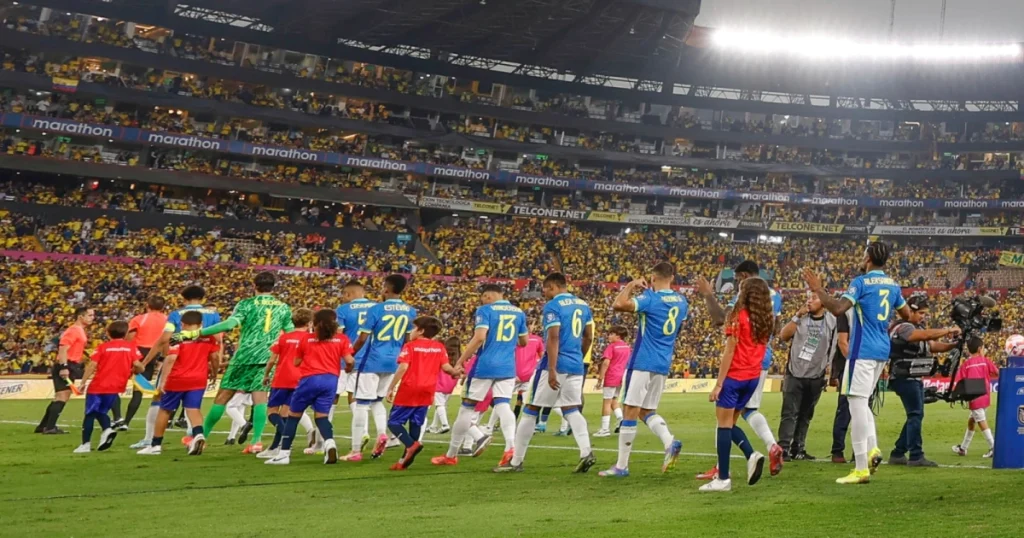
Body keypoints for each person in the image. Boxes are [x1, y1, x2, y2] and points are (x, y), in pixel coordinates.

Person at [802, 241, 912, 484]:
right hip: (882, 350)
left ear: (868, 258)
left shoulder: (861, 282)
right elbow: (906, 315)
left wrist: (818, 289)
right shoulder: (893, 285)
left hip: (862, 350)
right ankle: (872, 449)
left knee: (856, 403)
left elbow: (838, 309)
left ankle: (862, 466)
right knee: (862, 402)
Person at [178, 272, 294, 454]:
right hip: (267, 357)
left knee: (223, 397)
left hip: (244, 356)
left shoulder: (246, 304)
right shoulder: (284, 307)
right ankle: (256, 442)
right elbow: (291, 332)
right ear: (273, 287)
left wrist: (197, 333)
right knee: (260, 399)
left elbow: (229, 324)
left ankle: (201, 437)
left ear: (254, 286)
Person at [494, 272, 596, 474]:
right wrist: (578, 356)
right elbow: (589, 337)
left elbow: (553, 337)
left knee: (531, 408)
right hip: (576, 364)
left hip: (556, 363)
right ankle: (586, 452)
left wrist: (552, 369)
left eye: (545, 289)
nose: (544, 293)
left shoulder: (553, 306)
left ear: (553, 287)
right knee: (571, 409)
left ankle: (516, 462)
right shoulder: (583, 305)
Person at [696, 261, 785, 480]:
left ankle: (763, 449)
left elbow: (721, 320)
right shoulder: (773, 297)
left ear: (744, 277)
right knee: (741, 413)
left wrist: (708, 295)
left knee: (729, 418)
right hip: (759, 362)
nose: (737, 285)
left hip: (740, 365)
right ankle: (732, 462)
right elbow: (777, 329)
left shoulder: (744, 298)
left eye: (737, 280)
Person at [599, 262, 687, 477]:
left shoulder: (650, 298)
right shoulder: (682, 301)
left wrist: (631, 285)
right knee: (646, 411)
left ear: (653, 278)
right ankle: (669, 442)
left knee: (630, 409)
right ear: (672, 278)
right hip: (663, 363)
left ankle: (621, 466)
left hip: (642, 361)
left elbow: (618, 304)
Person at [434, 284, 527, 467]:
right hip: (507, 367)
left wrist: (460, 361)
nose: (482, 300)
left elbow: (479, 337)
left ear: (488, 296)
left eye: (482, 297)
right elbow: (523, 341)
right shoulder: (519, 312)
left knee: (466, 408)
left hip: (484, 366)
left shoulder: (485, 310)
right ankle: (510, 447)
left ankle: (451, 454)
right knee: (503, 405)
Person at [131, 285, 221, 450]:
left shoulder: (176, 315)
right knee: (193, 407)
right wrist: (214, 370)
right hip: (200, 369)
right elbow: (218, 342)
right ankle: (194, 436)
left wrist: (145, 362)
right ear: (202, 298)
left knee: (161, 403)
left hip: (176, 368)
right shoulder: (213, 315)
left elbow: (164, 339)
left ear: (184, 299)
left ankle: (151, 441)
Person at [343, 274, 417, 462]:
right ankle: (383, 434)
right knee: (377, 401)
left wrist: (350, 355)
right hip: (393, 362)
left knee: (361, 404)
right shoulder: (410, 311)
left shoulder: (376, 309)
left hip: (372, 361)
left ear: (386, 288)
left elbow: (362, 338)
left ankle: (355, 450)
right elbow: (407, 341)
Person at [266, 310, 354, 465]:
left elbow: (296, 362)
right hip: (330, 381)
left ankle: (284, 454)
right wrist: (348, 368)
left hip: (309, 379)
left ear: (315, 323)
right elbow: (350, 360)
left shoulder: (307, 338)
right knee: (322, 417)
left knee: (293, 416)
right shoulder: (342, 339)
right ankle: (330, 444)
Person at [887, 295, 960, 467]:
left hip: (912, 376)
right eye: (920, 313)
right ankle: (915, 455)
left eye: (925, 313)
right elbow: (924, 336)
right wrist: (948, 330)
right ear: (910, 311)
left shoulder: (916, 328)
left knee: (915, 415)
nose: (923, 317)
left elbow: (932, 346)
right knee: (915, 414)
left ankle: (898, 452)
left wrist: (953, 345)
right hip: (904, 376)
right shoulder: (904, 327)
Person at [388, 316, 460, 470]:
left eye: (414, 328)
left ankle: (410, 445)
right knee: (415, 423)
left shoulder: (410, 346)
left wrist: (391, 387)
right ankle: (403, 462)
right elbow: (447, 368)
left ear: (420, 331)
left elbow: (403, 367)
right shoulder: (439, 347)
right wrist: (455, 372)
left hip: (410, 388)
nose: (411, 331)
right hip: (428, 390)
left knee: (394, 422)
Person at [777, 292, 838, 460]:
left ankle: (798, 449)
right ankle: (783, 448)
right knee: (789, 413)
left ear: (823, 303)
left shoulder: (832, 321)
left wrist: (831, 372)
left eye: (814, 298)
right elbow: (783, 336)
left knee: (806, 414)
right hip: (794, 373)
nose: (809, 301)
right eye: (808, 297)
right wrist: (797, 315)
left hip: (816, 375)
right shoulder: (800, 318)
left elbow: (834, 347)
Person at [74, 320, 142, 453]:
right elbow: (138, 365)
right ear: (125, 333)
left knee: (90, 413)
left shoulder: (103, 347)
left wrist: (83, 382)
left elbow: (92, 365)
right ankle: (107, 430)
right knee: (100, 412)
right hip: (116, 386)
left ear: (108, 333)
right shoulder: (131, 347)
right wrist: (138, 370)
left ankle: (86, 444)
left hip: (99, 385)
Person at [257, 308, 316, 460]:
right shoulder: (312, 339)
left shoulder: (284, 338)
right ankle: (275, 448)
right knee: (285, 414)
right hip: (300, 380)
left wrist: (266, 374)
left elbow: (272, 359)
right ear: (309, 323)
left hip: (281, 378)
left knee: (272, 412)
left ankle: (284, 436)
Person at [37, 306, 94, 435]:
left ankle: (44, 425)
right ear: (81, 317)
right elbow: (63, 349)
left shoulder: (79, 330)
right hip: (67, 364)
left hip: (70, 364)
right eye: (90, 315)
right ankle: (50, 427)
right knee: (62, 396)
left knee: (60, 396)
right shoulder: (73, 330)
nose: (92, 318)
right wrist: (64, 367)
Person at [116, 295, 168, 431]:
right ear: (163, 307)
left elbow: (129, 338)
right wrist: (162, 358)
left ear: (147, 305)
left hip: (137, 352)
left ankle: (118, 418)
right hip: (154, 354)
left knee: (115, 384)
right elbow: (167, 341)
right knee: (138, 390)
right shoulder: (167, 320)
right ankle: (126, 421)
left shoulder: (139, 319)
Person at [336, 280, 378, 450]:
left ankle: (323, 440)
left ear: (348, 294)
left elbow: (338, 334)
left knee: (333, 395)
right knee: (357, 395)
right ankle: (364, 431)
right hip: (370, 359)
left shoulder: (342, 309)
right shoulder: (377, 307)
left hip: (346, 357)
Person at [952, 336, 999, 458]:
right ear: (979, 349)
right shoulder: (985, 361)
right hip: (985, 397)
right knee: (972, 421)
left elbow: (959, 382)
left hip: (974, 397)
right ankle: (963, 448)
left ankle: (994, 447)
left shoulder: (966, 365)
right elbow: (997, 372)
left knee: (981, 421)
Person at [594, 325, 629, 438]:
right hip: (621, 376)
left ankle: (605, 429)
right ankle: (621, 420)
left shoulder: (612, 347)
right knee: (614, 400)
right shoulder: (627, 347)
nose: (609, 336)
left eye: (611, 334)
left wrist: (600, 378)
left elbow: (605, 363)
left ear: (618, 336)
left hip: (611, 375)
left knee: (607, 402)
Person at [829, 308, 854, 463]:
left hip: (866, 365)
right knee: (845, 410)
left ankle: (859, 451)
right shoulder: (846, 311)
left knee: (864, 411)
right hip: (849, 367)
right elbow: (841, 343)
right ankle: (837, 450)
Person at [428, 337, 461, 434]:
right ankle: (433, 426)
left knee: (439, 405)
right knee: (441, 405)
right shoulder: (460, 357)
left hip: (439, 383)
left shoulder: (442, 355)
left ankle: (445, 424)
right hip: (450, 385)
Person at [513, 325, 544, 419]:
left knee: (502, 400)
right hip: (530, 374)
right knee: (528, 401)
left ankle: (493, 424)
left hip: (515, 374)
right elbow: (542, 357)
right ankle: (535, 422)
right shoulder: (537, 339)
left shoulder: (513, 339)